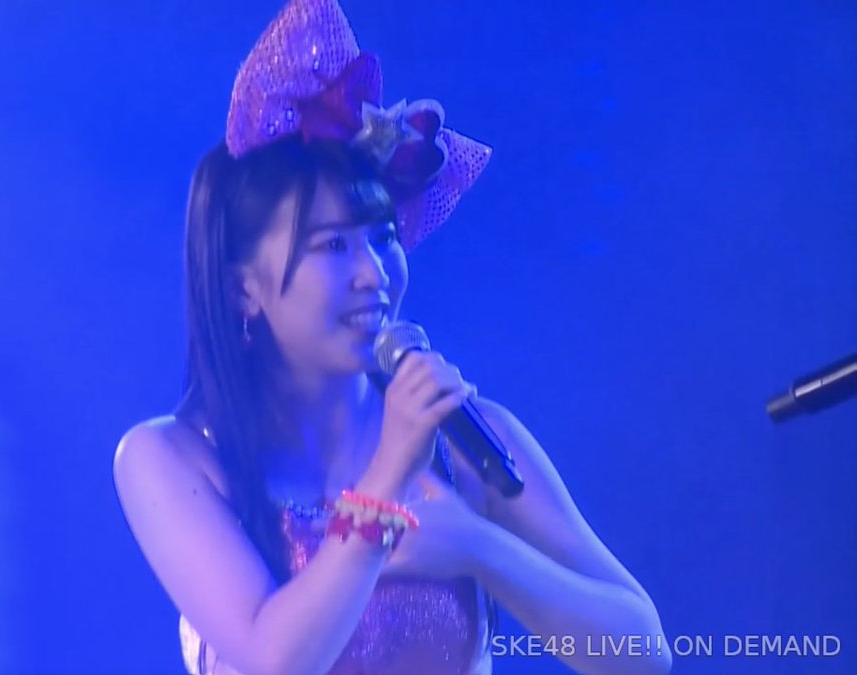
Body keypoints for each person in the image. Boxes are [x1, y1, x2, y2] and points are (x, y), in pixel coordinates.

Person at [113, 1, 670, 673]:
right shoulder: (172, 457)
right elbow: (274, 661)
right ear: (243, 289)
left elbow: (643, 653)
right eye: (332, 245)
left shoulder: (464, 443)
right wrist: (387, 478)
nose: (372, 273)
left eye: (381, 239)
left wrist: (480, 547)